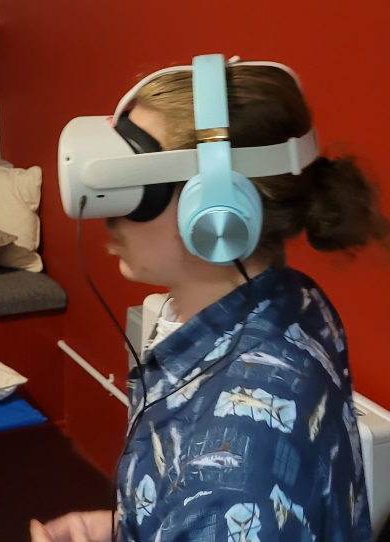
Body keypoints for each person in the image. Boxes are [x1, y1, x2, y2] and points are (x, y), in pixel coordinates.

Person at [32, 60, 390, 541]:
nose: (109, 214)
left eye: (140, 190)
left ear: (218, 205)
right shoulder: (291, 300)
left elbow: (226, 504)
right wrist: (133, 528)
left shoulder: (235, 469)